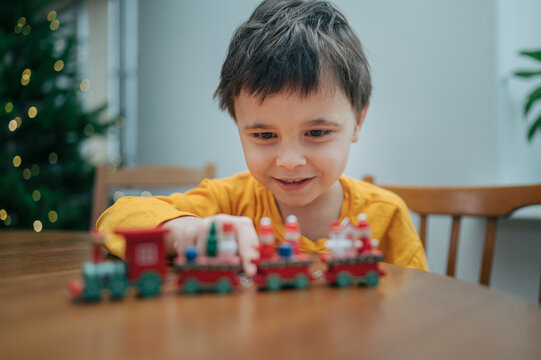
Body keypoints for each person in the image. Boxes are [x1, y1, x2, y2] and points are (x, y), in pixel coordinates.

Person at [97, 0, 428, 275]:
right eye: (265, 134)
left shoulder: (387, 217)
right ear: (238, 124)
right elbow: (118, 216)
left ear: (357, 123)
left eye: (316, 132)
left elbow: (420, 311)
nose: (289, 160)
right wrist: (185, 231)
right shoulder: (229, 201)